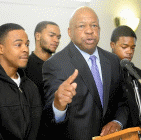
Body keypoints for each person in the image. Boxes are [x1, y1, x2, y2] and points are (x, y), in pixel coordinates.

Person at [41, 6, 129, 140]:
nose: (89, 31)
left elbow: (123, 102)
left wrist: (118, 122)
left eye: (94, 25)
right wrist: (59, 106)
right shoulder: (55, 64)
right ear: (70, 32)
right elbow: (51, 118)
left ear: (99, 30)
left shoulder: (113, 61)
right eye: (82, 26)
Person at [110, 25, 141, 127]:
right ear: (112, 45)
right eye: (124, 47)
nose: (130, 51)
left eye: (132, 48)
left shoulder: (139, 74)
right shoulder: (106, 73)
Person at [24, 21, 61, 105]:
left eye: (58, 37)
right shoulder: (24, 67)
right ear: (38, 36)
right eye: (51, 35)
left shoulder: (62, 66)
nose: (56, 40)